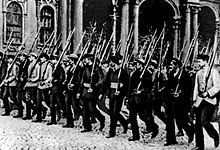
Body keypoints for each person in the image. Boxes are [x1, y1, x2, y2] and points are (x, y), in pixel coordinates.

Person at [127, 58, 159, 141]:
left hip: (142, 99)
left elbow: (149, 87)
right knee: (132, 117)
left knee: (143, 116)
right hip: (134, 99)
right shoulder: (135, 73)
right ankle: (135, 135)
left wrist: (141, 91)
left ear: (141, 64)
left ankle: (154, 127)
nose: (136, 65)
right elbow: (130, 86)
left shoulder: (147, 74)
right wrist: (128, 97)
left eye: (137, 63)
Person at [192, 54, 220, 150]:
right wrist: (194, 100)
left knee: (204, 121)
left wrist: (208, 93)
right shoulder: (198, 73)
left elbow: (217, 87)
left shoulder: (214, 72)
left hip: (210, 100)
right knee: (197, 124)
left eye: (199, 61)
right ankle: (199, 146)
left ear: (205, 61)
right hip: (200, 100)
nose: (198, 63)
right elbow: (196, 87)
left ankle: (215, 135)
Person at [100, 54, 129, 138]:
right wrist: (102, 92)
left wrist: (121, 91)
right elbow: (107, 83)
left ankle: (118, 127)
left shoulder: (122, 72)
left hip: (119, 95)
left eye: (112, 62)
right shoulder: (110, 71)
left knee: (115, 112)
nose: (111, 63)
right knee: (112, 113)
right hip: (112, 94)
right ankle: (121, 125)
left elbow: (126, 84)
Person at [78, 53, 105, 132]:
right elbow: (82, 81)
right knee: (85, 109)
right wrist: (80, 91)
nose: (84, 61)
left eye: (86, 59)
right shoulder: (85, 68)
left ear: (90, 60)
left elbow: (102, 80)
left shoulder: (96, 69)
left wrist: (94, 87)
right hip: (85, 91)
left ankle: (101, 118)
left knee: (91, 108)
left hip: (93, 92)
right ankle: (87, 126)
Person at [63, 53, 82, 128]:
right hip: (68, 89)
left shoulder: (78, 69)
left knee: (75, 106)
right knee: (67, 106)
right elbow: (67, 79)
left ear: (73, 60)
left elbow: (79, 80)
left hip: (74, 90)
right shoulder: (70, 68)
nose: (69, 61)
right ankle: (69, 123)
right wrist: (65, 88)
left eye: (70, 59)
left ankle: (85, 117)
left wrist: (74, 85)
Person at [47, 54, 65, 125]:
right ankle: (53, 119)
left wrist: (55, 81)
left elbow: (62, 78)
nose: (51, 61)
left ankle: (62, 116)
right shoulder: (53, 67)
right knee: (52, 104)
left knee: (60, 104)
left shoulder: (59, 68)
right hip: (52, 89)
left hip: (58, 88)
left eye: (53, 59)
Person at [34, 53, 52, 122]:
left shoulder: (49, 67)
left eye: (42, 58)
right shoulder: (40, 66)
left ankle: (48, 112)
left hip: (45, 86)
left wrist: (45, 82)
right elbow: (38, 75)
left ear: (45, 58)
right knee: (38, 102)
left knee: (46, 100)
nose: (41, 59)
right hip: (40, 85)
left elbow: (50, 77)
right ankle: (39, 117)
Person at [23, 52, 39, 120]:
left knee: (34, 99)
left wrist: (33, 80)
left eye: (31, 57)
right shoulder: (29, 65)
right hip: (29, 84)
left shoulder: (37, 65)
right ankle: (28, 114)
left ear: (34, 57)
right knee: (27, 99)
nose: (29, 58)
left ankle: (37, 112)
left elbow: (38, 76)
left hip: (34, 84)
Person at [14, 52, 29, 118]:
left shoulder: (28, 63)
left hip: (25, 83)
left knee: (25, 98)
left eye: (21, 56)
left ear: (24, 57)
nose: (20, 58)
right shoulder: (22, 64)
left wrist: (24, 78)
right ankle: (20, 113)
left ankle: (31, 112)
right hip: (20, 83)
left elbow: (27, 73)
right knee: (19, 98)